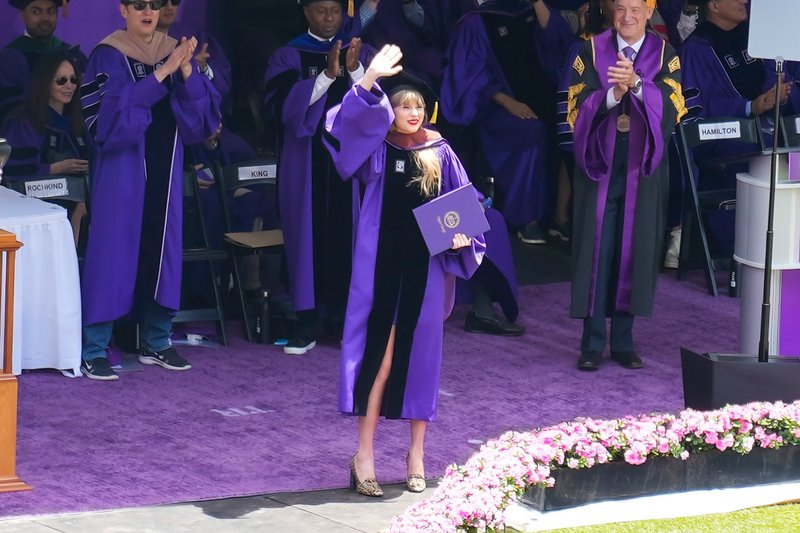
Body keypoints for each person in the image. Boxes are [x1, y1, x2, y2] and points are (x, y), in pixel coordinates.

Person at [323, 45, 485, 496]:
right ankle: (364, 456)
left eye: (417, 105)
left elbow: (465, 210)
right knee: (381, 360)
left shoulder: (441, 151)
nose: (411, 113)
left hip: (426, 272)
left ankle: (416, 455)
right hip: (379, 270)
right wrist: (370, 79)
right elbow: (343, 132)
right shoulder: (376, 150)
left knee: (420, 362)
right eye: (402, 106)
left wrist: (461, 235)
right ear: (388, 113)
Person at [78, 0, 221, 381]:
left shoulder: (173, 51)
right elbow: (108, 124)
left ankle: (156, 342)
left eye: (154, 6)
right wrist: (161, 76)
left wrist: (187, 71)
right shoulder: (107, 55)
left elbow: (200, 123)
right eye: (139, 5)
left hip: (166, 170)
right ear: (122, 9)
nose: (148, 12)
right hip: (121, 174)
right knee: (112, 254)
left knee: (163, 252)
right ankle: (94, 349)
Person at [565, 0, 686, 371]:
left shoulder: (667, 54)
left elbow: (674, 107)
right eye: (620, 8)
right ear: (610, 12)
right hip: (598, 167)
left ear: (650, 12)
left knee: (633, 249)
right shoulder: (589, 50)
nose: (628, 16)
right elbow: (575, 105)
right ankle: (591, 344)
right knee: (595, 248)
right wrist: (611, 95)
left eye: (636, 9)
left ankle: (622, 341)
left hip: (641, 169)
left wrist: (637, 87)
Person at [263, 0, 374, 355]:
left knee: (351, 237)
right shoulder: (289, 55)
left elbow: (381, 106)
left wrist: (355, 71)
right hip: (306, 161)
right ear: (306, 11)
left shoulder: (358, 51)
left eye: (336, 11)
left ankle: (347, 322)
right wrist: (326, 75)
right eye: (322, 10)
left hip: (351, 163)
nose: (329, 18)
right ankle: (307, 323)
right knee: (304, 239)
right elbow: (279, 108)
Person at [442, 0, 574, 245]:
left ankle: (559, 217)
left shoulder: (528, 11)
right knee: (532, 132)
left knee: (568, 128)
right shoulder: (476, 20)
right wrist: (508, 103)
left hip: (541, 99)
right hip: (493, 109)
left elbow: (559, 46)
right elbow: (469, 74)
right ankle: (527, 219)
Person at [0, 50, 88, 247]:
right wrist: (55, 168)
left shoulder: (80, 122)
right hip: (38, 223)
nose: (69, 86)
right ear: (45, 82)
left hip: (81, 220)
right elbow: (11, 172)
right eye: (61, 80)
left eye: (73, 79)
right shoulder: (23, 122)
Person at [0, 0, 87, 125]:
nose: (45, 18)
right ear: (22, 16)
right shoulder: (10, 59)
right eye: (36, 12)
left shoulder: (73, 54)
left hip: (73, 133)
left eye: (50, 11)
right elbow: (11, 106)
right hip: (31, 134)